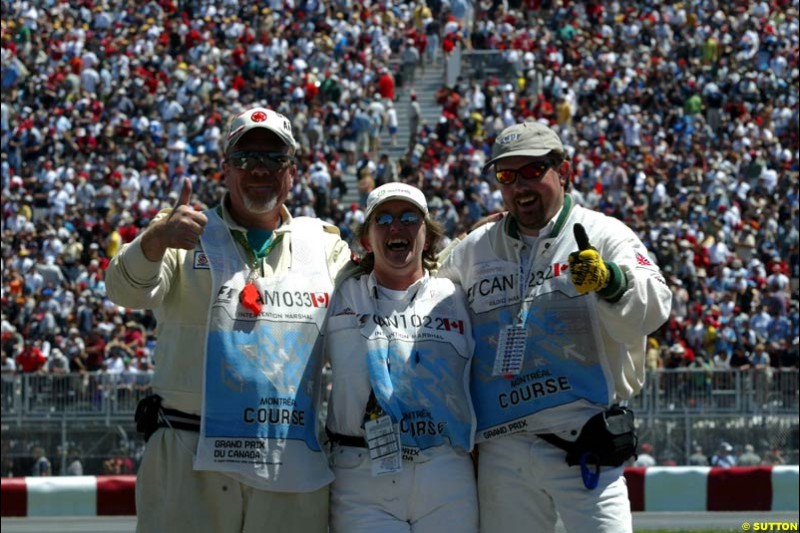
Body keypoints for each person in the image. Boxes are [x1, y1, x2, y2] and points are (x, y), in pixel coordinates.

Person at [106, 106, 352, 533]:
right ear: (225, 168)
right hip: (190, 452)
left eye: (275, 159)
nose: (261, 169)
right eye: (246, 158)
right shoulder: (183, 231)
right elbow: (123, 291)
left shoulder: (324, 245)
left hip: (287, 460)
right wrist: (154, 240)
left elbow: (379, 297)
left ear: (292, 171)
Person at [438, 121, 672, 533]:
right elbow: (421, 289)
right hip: (502, 448)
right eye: (507, 176)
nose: (520, 186)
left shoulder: (603, 232)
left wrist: (612, 282)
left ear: (564, 172)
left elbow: (655, 307)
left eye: (532, 171)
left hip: (583, 441)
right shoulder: (475, 248)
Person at [325, 183, 478, 533]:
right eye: (384, 219)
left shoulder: (455, 294)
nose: (397, 227)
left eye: (410, 218)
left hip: (445, 471)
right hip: (361, 472)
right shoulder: (339, 290)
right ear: (366, 239)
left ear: (427, 234)